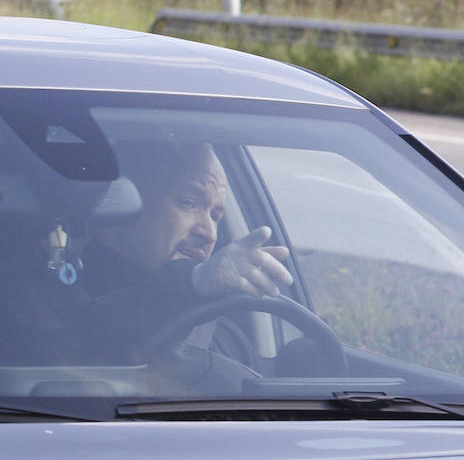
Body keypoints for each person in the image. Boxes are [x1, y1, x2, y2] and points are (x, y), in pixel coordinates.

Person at [2, 141, 292, 365]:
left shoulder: (224, 330)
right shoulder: (34, 300)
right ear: (121, 207)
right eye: (189, 203)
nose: (210, 232)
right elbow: (64, 349)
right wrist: (185, 286)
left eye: (216, 215)